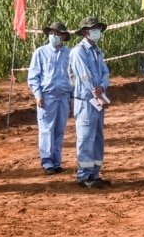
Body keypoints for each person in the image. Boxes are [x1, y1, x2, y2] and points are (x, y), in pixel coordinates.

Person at [69, 16, 111, 188]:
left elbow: (105, 72)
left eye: (98, 28)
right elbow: (84, 75)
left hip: (98, 99)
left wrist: (102, 86)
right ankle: (84, 175)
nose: (96, 32)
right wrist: (95, 90)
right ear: (85, 32)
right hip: (86, 100)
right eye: (93, 29)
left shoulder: (97, 51)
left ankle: (95, 173)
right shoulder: (78, 52)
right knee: (86, 138)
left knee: (97, 138)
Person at [27, 22, 73, 175]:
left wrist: (71, 95)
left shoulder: (69, 54)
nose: (54, 36)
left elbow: (73, 76)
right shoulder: (40, 52)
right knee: (46, 130)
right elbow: (33, 76)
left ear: (63, 37)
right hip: (47, 97)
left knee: (59, 130)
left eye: (57, 34)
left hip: (63, 97)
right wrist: (38, 95)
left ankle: (57, 161)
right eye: (52, 33)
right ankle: (47, 162)